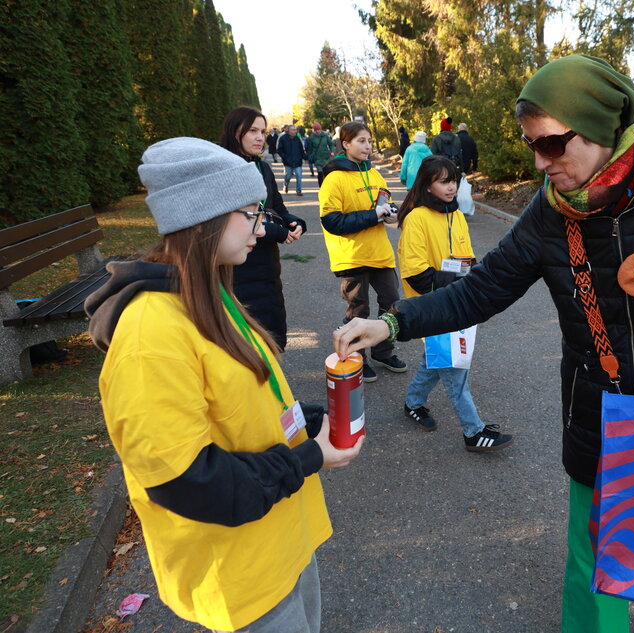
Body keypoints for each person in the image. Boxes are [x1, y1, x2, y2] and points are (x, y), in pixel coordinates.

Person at [332, 54, 634, 633]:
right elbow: (480, 290)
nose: (543, 164)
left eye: (552, 145)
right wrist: (392, 324)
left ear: (599, 129)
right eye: (532, 148)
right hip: (600, 412)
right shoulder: (550, 214)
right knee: (594, 564)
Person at [85, 136, 363, 633]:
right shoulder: (151, 335)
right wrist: (307, 458)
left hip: (281, 541)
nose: (262, 226)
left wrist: (314, 422)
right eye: (251, 213)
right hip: (241, 574)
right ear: (203, 215)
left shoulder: (210, 291)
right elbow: (188, 482)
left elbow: (244, 400)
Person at [396, 155, 514, 451]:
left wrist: (473, 280)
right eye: (443, 181)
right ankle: (473, 432)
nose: (451, 187)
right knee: (455, 368)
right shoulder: (416, 218)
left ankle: (413, 402)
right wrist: (459, 284)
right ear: (427, 185)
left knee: (437, 359)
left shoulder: (457, 214)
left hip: (462, 303)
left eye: (454, 180)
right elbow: (418, 275)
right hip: (433, 307)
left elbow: (468, 260)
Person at [319, 121, 406, 383]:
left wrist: (390, 213)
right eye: (361, 141)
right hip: (352, 256)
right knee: (358, 309)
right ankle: (357, 357)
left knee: (391, 302)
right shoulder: (334, 179)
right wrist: (373, 215)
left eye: (369, 141)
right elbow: (332, 222)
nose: (367, 146)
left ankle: (382, 351)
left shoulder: (375, 173)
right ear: (346, 144)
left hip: (380, 253)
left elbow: (385, 201)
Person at [220, 106, 305, 351]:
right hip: (237, 268)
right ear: (234, 132)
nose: (260, 137)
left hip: (268, 266)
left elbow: (275, 206)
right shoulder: (225, 170)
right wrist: (278, 232)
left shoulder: (262, 167)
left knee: (273, 335)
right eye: (253, 131)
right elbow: (235, 220)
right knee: (246, 342)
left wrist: (293, 222)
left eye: (263, 131)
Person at [277, 124, 305, 196]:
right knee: (288, 176)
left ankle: (298, 191)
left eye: (295, 130)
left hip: (297, 161)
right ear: (288, 131)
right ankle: (286, 185)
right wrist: (284, 157)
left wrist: (305, 157)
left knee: (299, 175)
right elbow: (279, 150)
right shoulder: (283, 138)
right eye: (293, 130)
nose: (295, 131)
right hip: (288, 161)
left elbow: (301, 149)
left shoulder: (297, 139)